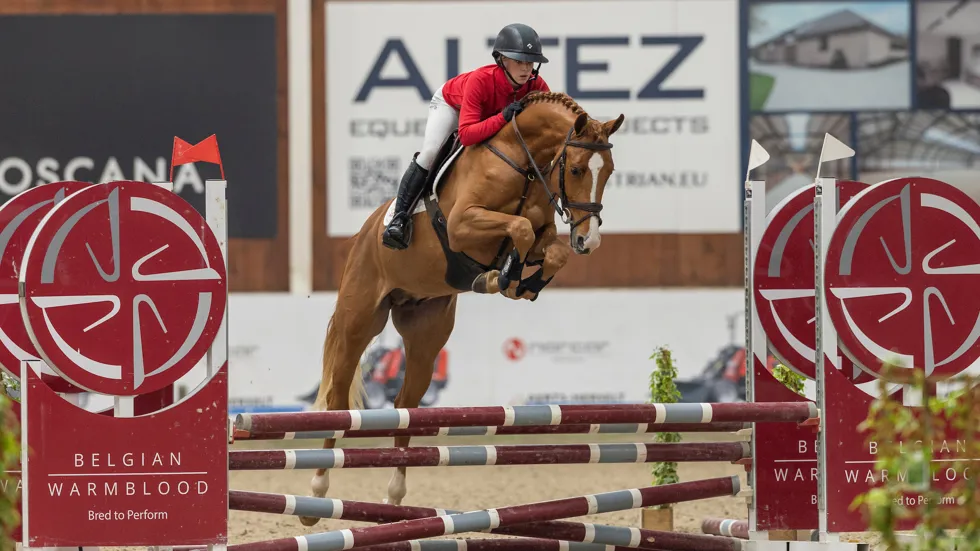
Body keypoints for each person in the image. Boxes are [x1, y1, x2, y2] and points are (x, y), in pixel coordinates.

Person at [381, 23, 551, 251]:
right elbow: (468, 134)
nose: (525, 69)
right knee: (430, 152)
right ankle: (399, 218)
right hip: (452, 106)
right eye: (519, 61)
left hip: (489, 115)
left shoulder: (536, 85)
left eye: (529, 62)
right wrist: (502, 117)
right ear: (502, 60)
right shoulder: (480, 80)